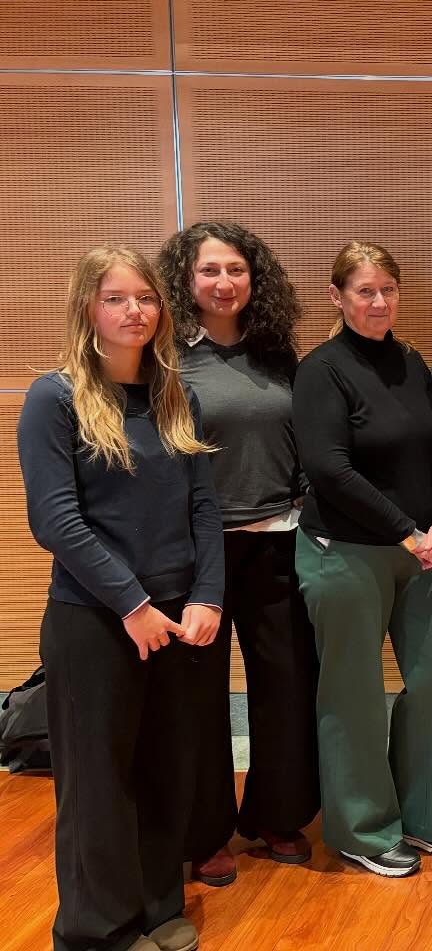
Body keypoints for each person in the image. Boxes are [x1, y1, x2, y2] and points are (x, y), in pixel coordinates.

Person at [18, 247, 223, 951]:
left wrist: (209, 596)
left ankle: (158, 905)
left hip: (177, 618)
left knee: (167, 766)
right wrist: (132, 605)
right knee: (99, 784)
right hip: (95, 620)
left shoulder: (175, 393)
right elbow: (56, 520)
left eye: (145, 297)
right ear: (88, 308)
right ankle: (96, 930)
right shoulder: (55, 397)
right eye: (116, 298)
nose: (135, 310)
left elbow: (203, 508)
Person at [292, 241, 432, 878]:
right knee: (354, 695)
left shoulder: (411, 363)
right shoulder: (321, 370)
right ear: (336, 297)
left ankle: (430, 815)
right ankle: (363, 831)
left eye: (388, 290)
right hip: (344, 555)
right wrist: (407, 531)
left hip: (423, 549)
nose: (378, 302)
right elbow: (328, 470)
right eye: (364, 291)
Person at [157, 222, 320, 887]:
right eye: (209, 271)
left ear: (256, 279)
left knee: (286, 686)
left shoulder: (278, 356)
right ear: (185, 281)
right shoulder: (164, 360)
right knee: (197, 698)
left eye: (237, 270)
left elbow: (308, 441)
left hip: (279, 543)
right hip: (199, 555)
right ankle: (204, 834)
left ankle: (280, 816)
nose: (224, 283)